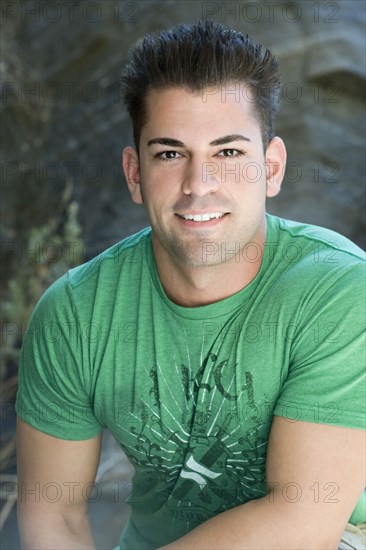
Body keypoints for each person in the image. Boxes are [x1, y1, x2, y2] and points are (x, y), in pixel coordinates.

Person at [16, 20, 365, 550]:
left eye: (228, 153)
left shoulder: (339, 289)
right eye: (170, 153)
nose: (198, 185)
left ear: (271, 169)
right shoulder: (74, 313)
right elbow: (53, 517)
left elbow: (301, 520)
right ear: (134, 174)